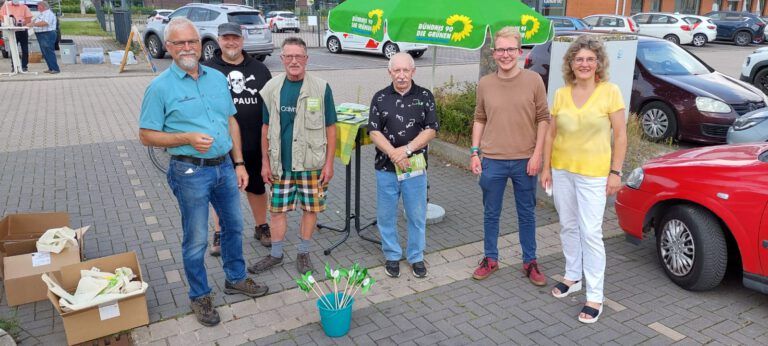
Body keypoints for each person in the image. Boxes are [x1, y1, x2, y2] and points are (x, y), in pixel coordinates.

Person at [138, 17, 268, 327]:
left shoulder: (216, 78)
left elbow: (230, 120)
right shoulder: (159, 87)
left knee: (233, 227)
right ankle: (199, 294)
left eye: (192, 41)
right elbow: (145, 135)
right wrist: (185, 138)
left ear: (200, 44)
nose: (187, 47)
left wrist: (239, 163)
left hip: (224, 166)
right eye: (180, 42)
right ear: (168, 46)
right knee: (196, 238)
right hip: (189, 171)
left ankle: (236, 278)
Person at [540, 35, 627, 324]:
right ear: (571, 64)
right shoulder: (561, 94)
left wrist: (615, 172)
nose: (585, 64)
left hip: (594, 174)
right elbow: (551, 135)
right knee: (568, 225)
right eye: (579, 59)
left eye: (590, 59)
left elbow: (620, 136)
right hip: (562, 170)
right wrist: (546, 168)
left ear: (598, 63)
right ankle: (573, 276)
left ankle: (595, 296)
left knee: (590, 233)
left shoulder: (610, 92)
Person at [248, 37, 337, 276]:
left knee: (310, 209)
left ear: (306, 59)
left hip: (311, 163)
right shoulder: (271, 89)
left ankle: (303, 253)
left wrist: (329, 164)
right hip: (280, 164)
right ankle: (276, 254)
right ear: (282, 59)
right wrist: (265, 163)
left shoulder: (321, 88)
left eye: (299, 56)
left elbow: (331, 127)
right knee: (277, 210)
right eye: (289, 56)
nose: (294, 61)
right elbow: (265, 128)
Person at [470, 27, 550, 286]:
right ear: (494, 53)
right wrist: (474, 152)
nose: (505, 54)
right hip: (492, 160)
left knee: (526, 213)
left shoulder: (533, 80)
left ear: (519, 51)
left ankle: (530, 261)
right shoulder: (485, 83)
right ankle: (490, 258)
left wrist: (537, 155)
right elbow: (480, 118)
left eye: (510, 49)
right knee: (491, 213)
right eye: (501, 50)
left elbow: (543, 119)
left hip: (525, 161)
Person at [203, 22, 273, 256]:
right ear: (219, 40)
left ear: (242, 40)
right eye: (226, 38)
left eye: (235, 38)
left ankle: (261, 226)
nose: (231, 42)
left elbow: (270, 106)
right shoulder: (207, 69)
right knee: (220, 191)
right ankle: (219, 232)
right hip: (220, 146)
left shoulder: (260, 69)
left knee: (257, 187)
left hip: (254, 143)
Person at [368, 52, 439, 279]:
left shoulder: (425, 96)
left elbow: (431, 129)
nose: (401, 75)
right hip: (385, 168)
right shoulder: (380, 97)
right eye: (396, 70)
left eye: (405, 70)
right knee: (386, 216)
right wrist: (394, 153)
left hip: (414, 167)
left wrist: (406, 150)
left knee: (416, 215)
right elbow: (374, 131)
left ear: (413, 71)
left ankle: (416, 256)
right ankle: (392, 254)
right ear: (389, 72)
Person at [0, 0, 32, 72]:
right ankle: (14, 66)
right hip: (12, 31)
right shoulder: (6, 6)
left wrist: (22, 23)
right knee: (13, 49)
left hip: (22, 30)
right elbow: (1, 16)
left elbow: (29, 18)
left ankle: (24, 66)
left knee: (25, 49)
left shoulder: (24, 6)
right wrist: (6, 22)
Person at [27, 1, 58, 74]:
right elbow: (35, 22)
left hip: (47, 34)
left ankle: (55, 69)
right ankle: (51, 68)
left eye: (38, 6)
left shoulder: (48, 13)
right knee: (45, 52)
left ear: (43, 6)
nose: (37, 7)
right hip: (42, 34)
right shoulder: (42, 14)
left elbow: (45, 23)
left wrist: (33, 24)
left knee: (49, 51)